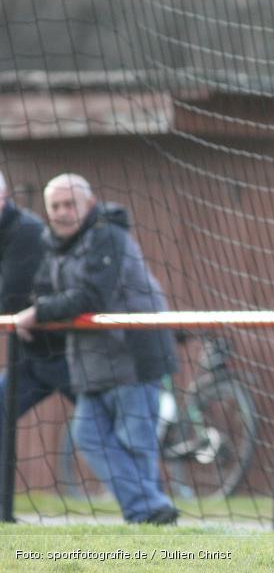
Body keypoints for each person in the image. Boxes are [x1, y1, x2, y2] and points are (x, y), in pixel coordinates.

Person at [13, 174, 179, 525]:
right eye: (54, 206)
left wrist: (39, 312)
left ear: (88, 204)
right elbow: (42, 291)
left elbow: (91, 296)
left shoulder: (108, 235)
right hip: (91, 362)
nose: (61, 212)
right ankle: (150, 508)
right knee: (88, 435)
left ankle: (146, 514)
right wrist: (39, 311)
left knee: (136, 446)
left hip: (134, 356)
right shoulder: (54, 246)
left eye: (68, 204)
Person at [0, 171, 73, 453]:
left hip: (66, 352)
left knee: (99, 434)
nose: (62, 212)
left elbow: (12, 297)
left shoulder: (26, 231)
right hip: (31, 354)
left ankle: (148, 498)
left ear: (4, 198)